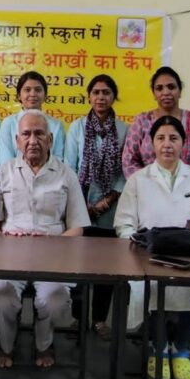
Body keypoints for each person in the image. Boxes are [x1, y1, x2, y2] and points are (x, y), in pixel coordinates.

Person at [113, 115, 190, 379]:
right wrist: (139, 244)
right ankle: (159, 347)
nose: (167, 144)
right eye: (161, 138)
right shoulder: (138, 180)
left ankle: (181, 347)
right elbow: (124, 223)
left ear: (183, 144)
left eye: (173, 138)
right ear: (152, 144)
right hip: (148, 257)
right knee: (147, 289)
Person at [0, 110, 91, 369]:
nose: (33, 140)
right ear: (17, 141)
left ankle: (44, 342)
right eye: (26, 134)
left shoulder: (66, 174)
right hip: (10, 256)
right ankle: (6, 343)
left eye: (39, 134)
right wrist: (3, 240)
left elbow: (77, 227)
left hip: (54, 256)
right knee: (0, 298)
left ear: (50, 140)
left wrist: (54, 242)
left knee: (55, 300)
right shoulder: (3, 172)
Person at [64, 74, 127, 338]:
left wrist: (106, 201)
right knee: (78, 263)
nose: (101, 97)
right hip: (80, 202)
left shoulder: (124, 129)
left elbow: (125, 170)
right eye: (96, 92)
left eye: (106, 92)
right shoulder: (77, 127)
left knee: (105, 266)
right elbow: (69, 167)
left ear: (114, 97)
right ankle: (78, 318)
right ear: (89, 97)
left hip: (112, 205)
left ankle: (100, 319)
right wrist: (82, 204)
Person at [122, 66, 190, 179]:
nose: (166, 92)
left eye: (171, 87)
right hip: (148, 187)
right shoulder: (141, 122)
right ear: (154, 94)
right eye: (159, 88)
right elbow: (129, 162)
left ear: (180, 91)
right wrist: (149, 183)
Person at [0, 71, 66, 165]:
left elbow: (58, 160)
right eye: (27, 90)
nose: (33, 94)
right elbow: (6, 162)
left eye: (38, 90)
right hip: (13, 174)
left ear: (45, 95)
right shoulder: (8, 123)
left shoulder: (57, 125)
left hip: (49, 174)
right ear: (19, 95)